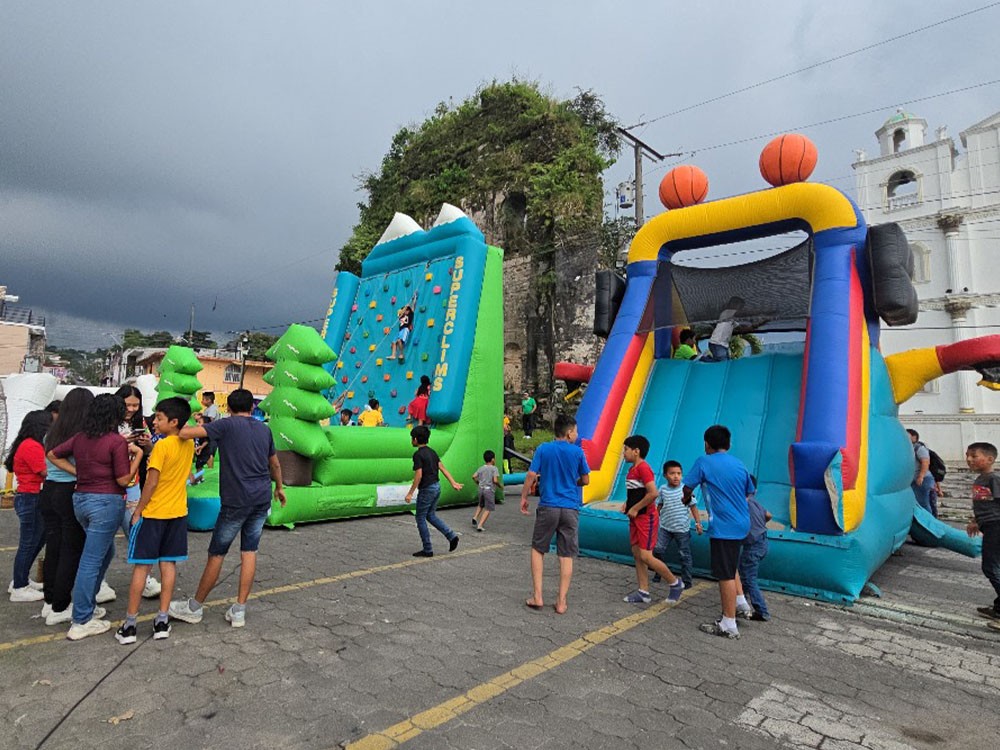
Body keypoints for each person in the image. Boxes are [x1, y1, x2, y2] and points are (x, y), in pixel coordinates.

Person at [168, 389, 286, 629]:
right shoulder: (264, 429)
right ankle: (239, 610)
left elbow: (186, 433)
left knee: (218, 553)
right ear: (252, 408)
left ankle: (194, 607)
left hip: (236, 500)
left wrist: (174, 420)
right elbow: (274, 462)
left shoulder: (226, 425)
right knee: (249, 551)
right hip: (261, 497)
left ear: (229, 408)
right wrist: (279, 488)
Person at [48, 394, 144, 640]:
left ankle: (86, 605)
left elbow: (52, 454)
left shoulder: (81, 438)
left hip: (80, 500)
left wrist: (77, 472)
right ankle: (81, 619)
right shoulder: (115, 442)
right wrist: (139, 457)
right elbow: (123, 480)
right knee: (91, 559)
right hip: (106, 502)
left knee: (105, 552)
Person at [116, 397, 194, 644]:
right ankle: (162, 619)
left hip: (153, 514)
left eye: (160, 418)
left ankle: (130, 624)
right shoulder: (187, 443)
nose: (155, 422)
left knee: (142, 566)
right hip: (177, 513)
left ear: (174, 421)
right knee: (168, 565)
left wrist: (138, 509)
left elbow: (151, 482)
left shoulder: (162, 447)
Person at [683, 424, 755, 639]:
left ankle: (728, 623)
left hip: (724, 526)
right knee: (730, 563)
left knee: (724, 574)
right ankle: (741, 603)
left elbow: (687, 487)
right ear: (729, 444)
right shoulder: (739, 464)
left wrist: (686, 499)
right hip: (742, 523)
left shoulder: (704, 461)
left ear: (706, 444)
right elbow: (750, 492)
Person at [520, 414, 590, 614]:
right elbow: (585, 480)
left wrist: (524, 496)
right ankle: (561, 602)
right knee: (566, 554)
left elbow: (531, 475)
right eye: (576, 431)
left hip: (548, 506)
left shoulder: (543, 449)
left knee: (538, 549)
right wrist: (572, 482)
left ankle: (538, 596)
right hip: (570, 507)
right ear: (569, 433)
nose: (577, 434)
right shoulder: (577, 452)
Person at [38, 388, 94, 625]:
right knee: (71, 550)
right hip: (69, 491)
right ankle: (61, 606)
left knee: (54, 546)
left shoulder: (52, 433)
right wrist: (80, 472)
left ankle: (50, 601)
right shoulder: (81, 436)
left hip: (49, 491)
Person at [620, 436, 684, 604]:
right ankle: (643, 591)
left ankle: (675, 583)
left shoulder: (644, 468)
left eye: (625, 449)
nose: (623, 453)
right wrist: (628, 505)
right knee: (636, 553)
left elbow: (653, 493)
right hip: (635, 517)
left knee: (646, 555)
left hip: (645, 518)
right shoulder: (632, 470)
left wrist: (635, 508)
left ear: (636, 451)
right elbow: (636, 492)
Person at [113, 383, 160, 601]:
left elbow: (151, 450)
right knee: (103, 536)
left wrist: (146, 444)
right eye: (128, 404)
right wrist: (121, 443)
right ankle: (100, 582)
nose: (132, 409)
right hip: (109, 486)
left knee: (136, 531)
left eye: (136, 405)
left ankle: (145, 579)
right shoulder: (107, 422)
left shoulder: (141, 422)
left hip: (133, 485)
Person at [5, 410, 52, 602]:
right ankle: (19, 585)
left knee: (37, 539)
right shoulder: (31, 446)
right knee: (28, 543)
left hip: (32, 497)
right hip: (30, 497)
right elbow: (44, 471)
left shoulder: (28, 444)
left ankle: (21, 578)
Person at [404, 425, 463, 556]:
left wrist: (410, 493)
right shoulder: (432, 452)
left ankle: (428, 549)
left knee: (420, 517)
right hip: (436, 486)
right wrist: (453, 482)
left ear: (415, 439)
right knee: (430, 515)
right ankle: (451, 536)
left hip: (427, 489)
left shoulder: (418, 455)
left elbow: (418, 475)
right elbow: (442, 468)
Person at [652, 460, 701, 589]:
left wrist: (698, 523)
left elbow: (693, 507)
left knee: (684, 555)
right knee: (657, 549)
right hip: (665, 527)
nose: (676, 476)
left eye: (679, 473)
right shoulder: (663, 489)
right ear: (665, 475)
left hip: (682, 529)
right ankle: (659, 572)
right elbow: (659, 505)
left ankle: (687, 580)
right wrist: (655, 520)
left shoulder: (685, 489)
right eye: (672, 473)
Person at [965, 442, 1000, 622]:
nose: (969, 459)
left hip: (996, 526)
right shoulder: (980, 480)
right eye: (967, 456)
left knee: (990, 567)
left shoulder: (994, 479)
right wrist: (976, 521)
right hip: (989, 525)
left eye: (974, 456)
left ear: (989, 459)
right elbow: (985, 506)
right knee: (995, 567)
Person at [739, 481, 772, 622]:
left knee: (749, 579)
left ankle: (762, 610)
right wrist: (759, 524)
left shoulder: (742, 504)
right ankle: (741, 604)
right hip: (763, 541)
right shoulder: (755, 502)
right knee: (744, 576)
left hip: (753, 546)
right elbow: (769, 515)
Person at [907, 429, 936, 515]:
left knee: (923, 503)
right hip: (913, 480)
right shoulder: (908, 449)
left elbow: (925, 462)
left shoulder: (919, 448)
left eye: (907, 434)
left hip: (922, 480)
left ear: (914, 437)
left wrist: (921, 476)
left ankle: (928, 523)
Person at [705, 297, 744, 361]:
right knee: (724, 364)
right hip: (717, 343)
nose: (741, 308)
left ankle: (707, 359)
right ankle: (705, 359)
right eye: (740, 306)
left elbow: (742, 328)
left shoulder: (733, 319)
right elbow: (742, 313)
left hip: (723, 345)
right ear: (732, 304)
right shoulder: (726, 312)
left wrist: (758, 324)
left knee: (726, 363)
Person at [472, 450, 502, 532]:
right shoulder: (494, 469)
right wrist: (500, 486)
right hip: (489, 490)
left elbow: (474, 476)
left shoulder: (481, 468)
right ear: (492, 459)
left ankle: (475, 517)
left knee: (481, 504)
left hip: (481, 489)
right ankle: (480, 525)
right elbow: (495, 480)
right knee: (488, 508)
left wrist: (478, 482)